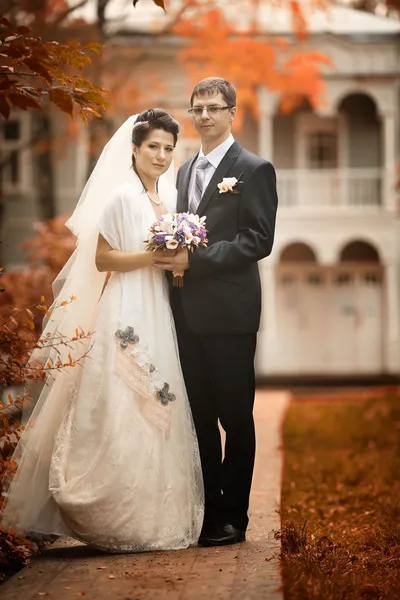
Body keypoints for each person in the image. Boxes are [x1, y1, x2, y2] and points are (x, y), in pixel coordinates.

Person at [1, 110, 204, 552]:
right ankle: (109, 510)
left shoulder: (167, 200)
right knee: (121, 398)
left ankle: (151, 513)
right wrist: (154, 256)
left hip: (158, 307)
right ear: (134, 148)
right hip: (127, 306)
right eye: (153, 146)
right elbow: (104, 260)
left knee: (158, 400)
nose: (162, 155)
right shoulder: (121, 198)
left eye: (169, 148)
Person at [154, 78, 278, 546]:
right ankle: (207, 511)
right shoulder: (183, 172)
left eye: (213, 107)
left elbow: (257, 241)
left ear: (232, 113)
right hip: (186, 316)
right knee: (200, 417)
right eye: (197, 108)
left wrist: (195, 260)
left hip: (230, 317)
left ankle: (233, 518)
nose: (204, 115)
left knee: (234, 419)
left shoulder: (254, 169)